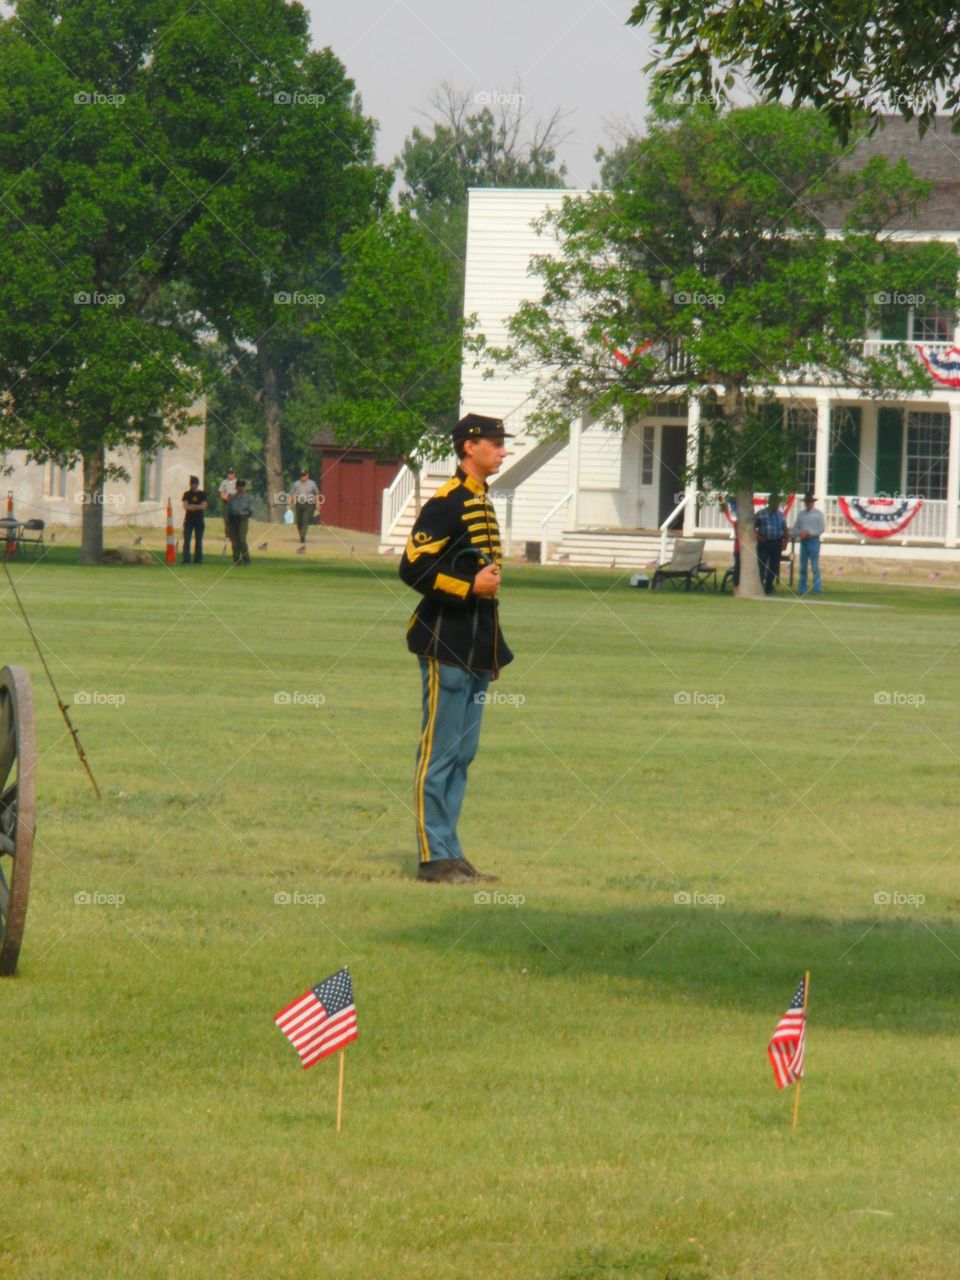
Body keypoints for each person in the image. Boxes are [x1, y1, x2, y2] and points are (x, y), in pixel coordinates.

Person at [399, 413, 514, 885]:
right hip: (445, 639)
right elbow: (412, 567)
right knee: (439, 752)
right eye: (495, 443)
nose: (503, 451)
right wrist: (468, 586)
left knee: (463, 753)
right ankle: (432, 859)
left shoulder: (482, 500)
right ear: (469, 447)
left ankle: (451, 852)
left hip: (475, 646)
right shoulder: (447, 503)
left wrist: (492, 653)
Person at [792, 492, 825, 596]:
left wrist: (810, 533)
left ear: (813, 502)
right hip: (804, 541)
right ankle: (802, 588)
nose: (808, 503)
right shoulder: (801, 514)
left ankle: (817, 588)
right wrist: (800, 533)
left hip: (814, 541)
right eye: (807, 502)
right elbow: (795, 528)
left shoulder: (818, 514)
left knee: (814, 566)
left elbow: (821, 529)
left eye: (810, 501)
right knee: (803, 566)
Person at [755, 494, 787, 595]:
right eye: (773, 502)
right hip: (764, 542)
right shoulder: (761, 514)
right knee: (761, 564)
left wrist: (785, 541)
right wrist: (759, 537)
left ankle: (768, 586)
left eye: (777, 503)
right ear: (769, 503)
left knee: (774, 566)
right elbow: (752, 527)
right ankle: (759, 586)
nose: (775, 505)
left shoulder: (781, 515)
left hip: (777, 542)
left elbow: (785, 529)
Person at [226, 478, 255, 565]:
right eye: (239, 486)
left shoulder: (248, 498)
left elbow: (251, 510)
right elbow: (228, 509)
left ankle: (246, 559)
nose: (240, 488)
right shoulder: (232, 497)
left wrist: (246, 514)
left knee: (242, 539)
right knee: (234, 541)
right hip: (233, 519)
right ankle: (236, 559)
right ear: (236, 487)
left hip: (243, 518)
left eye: (242, 486)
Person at [289, 469, 321, 544]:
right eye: (301, 475)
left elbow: (316, 494)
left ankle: (303, 536)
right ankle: (301, 535)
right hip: (299, 504)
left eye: (304, 475)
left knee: (305, 520)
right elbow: (292, 493)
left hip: (309, 504)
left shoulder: (312, 484)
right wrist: (290, 502)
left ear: (307, 475)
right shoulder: (296, 484)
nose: (302, 477)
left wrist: (318, 503)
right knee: (299, 522)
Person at [181, 475, 207, 564]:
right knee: (187, 540)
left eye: (194, 483)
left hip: (199, 520)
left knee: (198, 540)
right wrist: (195, 507)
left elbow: (203, 506)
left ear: (197, 484)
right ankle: (186, 559)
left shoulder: (202, 494)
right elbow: (186, 506)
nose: (193, 485)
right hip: (189, 520)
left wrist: (193, 506)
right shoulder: (187, 494)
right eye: (192, 483)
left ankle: (198, 560)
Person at [218, 467, 237, 539]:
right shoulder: (224, 482)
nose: (230, 475)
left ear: (234, 474)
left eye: (232, 473)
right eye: (229, 473)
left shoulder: (237, 482)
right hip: (226, 502)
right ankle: (228, 534)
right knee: (227, 519)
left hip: (234, 502)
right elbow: (221, 492)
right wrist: (225, 497)